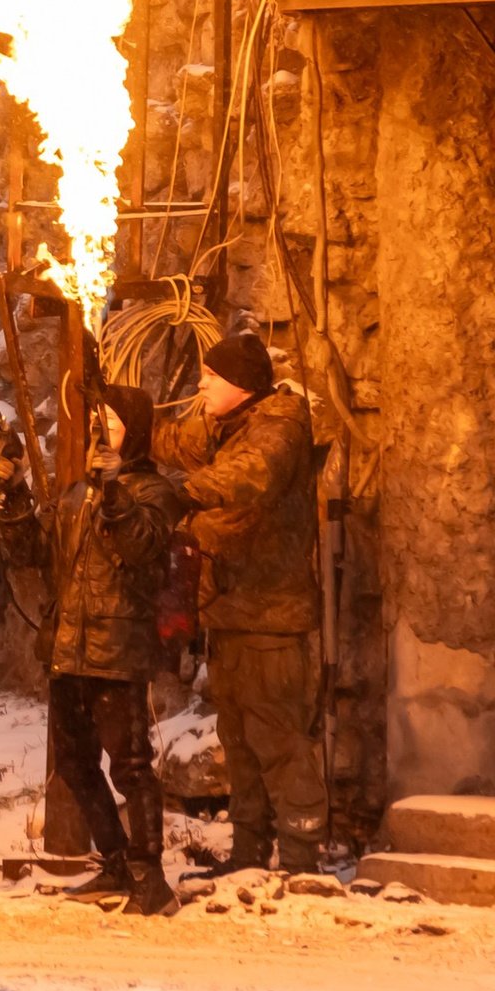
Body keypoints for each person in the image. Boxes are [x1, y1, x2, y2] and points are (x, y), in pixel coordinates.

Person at [142, 329, 327, 875]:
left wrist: (187, 493)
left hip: (271, 617)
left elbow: (251, 473)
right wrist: (116, 408)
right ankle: (249, 852)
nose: (201, 382)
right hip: (232, 613)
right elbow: (176, 443)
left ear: (241, 386)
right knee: (240, 739)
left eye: (212, 377)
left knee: (278, 737)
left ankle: (300, 856)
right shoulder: (229, 425)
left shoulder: (278, 427)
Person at [0, 382, 180, 916]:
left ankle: (151, 878)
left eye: (111, 419)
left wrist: (116, 490)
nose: (99, 426)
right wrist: (14, 496)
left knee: (131, 767)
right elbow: (31, 551)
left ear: (133, 431)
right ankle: (118, 862)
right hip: (68, 651)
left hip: (116, 651)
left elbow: (141, 546)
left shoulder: (154, 492)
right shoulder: (77, 496)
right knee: (76, 765)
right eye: (96, 417)